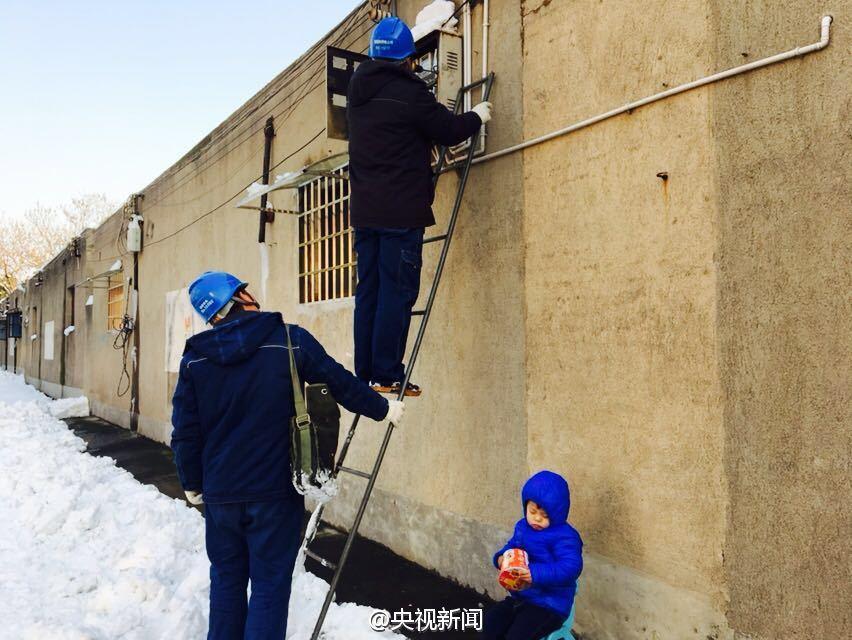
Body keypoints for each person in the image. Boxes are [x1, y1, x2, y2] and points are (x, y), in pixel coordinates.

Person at [170, 271, 404, 640]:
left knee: (227, 583)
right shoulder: (289, 340)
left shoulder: (195, 359)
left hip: (221, 496)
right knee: (269, 586)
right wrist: (383, 408)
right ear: (237, 299)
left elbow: (185, 432)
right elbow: (340, 382)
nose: (252, 295)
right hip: (274, 494)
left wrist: (192, 483)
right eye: (244, 290)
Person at [347, 16, 493, 397]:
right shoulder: (411, 94)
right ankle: (386, 373)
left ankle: (366, 372)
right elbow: (448, 130)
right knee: (396, 293)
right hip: (400, 213)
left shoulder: (357, 92)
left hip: (365, 214)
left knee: (370, 292)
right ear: (407, 58)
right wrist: (477, 115)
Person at [483, 470, 583, 640]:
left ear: (557, 514)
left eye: (545, 515)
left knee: (517, 636)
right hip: (522, 596)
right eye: (532, 511)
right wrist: (501, 558)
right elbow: (512, 547)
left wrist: (534, 573)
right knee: (491, 624)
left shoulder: (566, 536)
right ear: (525, 507)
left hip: (550, 604)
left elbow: (571, 567)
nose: (537, 519)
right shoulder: (523, 527)